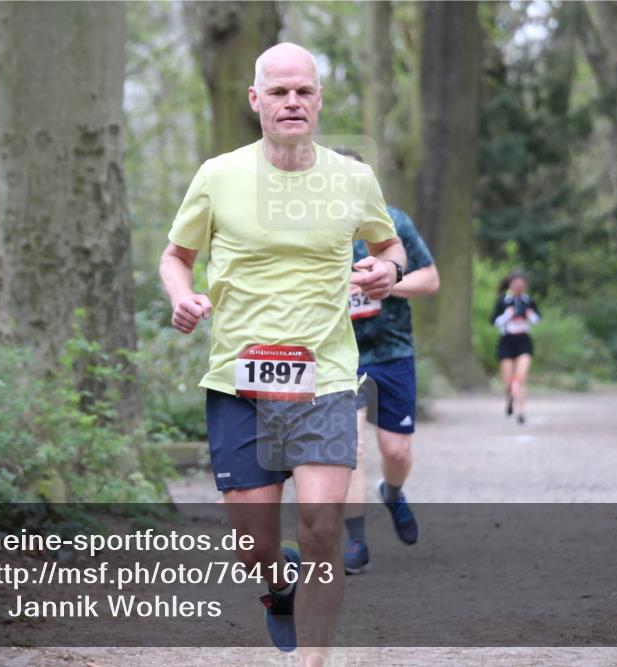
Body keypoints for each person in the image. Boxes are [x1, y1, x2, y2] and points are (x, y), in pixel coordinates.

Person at [158, 43, 406, 656]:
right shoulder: (218, 175)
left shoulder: (354, 178)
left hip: (324, 377)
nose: (291, 102)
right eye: (278, 92)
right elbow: (176, 257)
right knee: (254, 546)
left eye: (303, 91)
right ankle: (277, 587)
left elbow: (390, 246)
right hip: (238, 382)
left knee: (322, 527)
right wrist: (182, 296)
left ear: (319, 100)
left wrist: (388, 271)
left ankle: (315, 657)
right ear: (256, 100)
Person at [332, 149, 440, 575]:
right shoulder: (312, 231)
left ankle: (392, 492)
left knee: (396, 450)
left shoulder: (391, 223)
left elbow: (430, 278)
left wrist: (386, 283)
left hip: (392, 352)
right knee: (350, 450)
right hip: (341, 355)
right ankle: (356, 541)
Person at [490, 272, 540, 425]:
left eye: (522, 283)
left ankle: (521, 412)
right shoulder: (503, 301)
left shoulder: (528, 301)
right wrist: (507, 315)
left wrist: (531, 315)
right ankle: (510, 398)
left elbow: (537, 320)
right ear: (510, 284)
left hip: (524, 341)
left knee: (521, 377)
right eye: (516, 283)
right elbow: (494, 321)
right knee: (508, 381)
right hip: (507, 341)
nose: (519, 286)